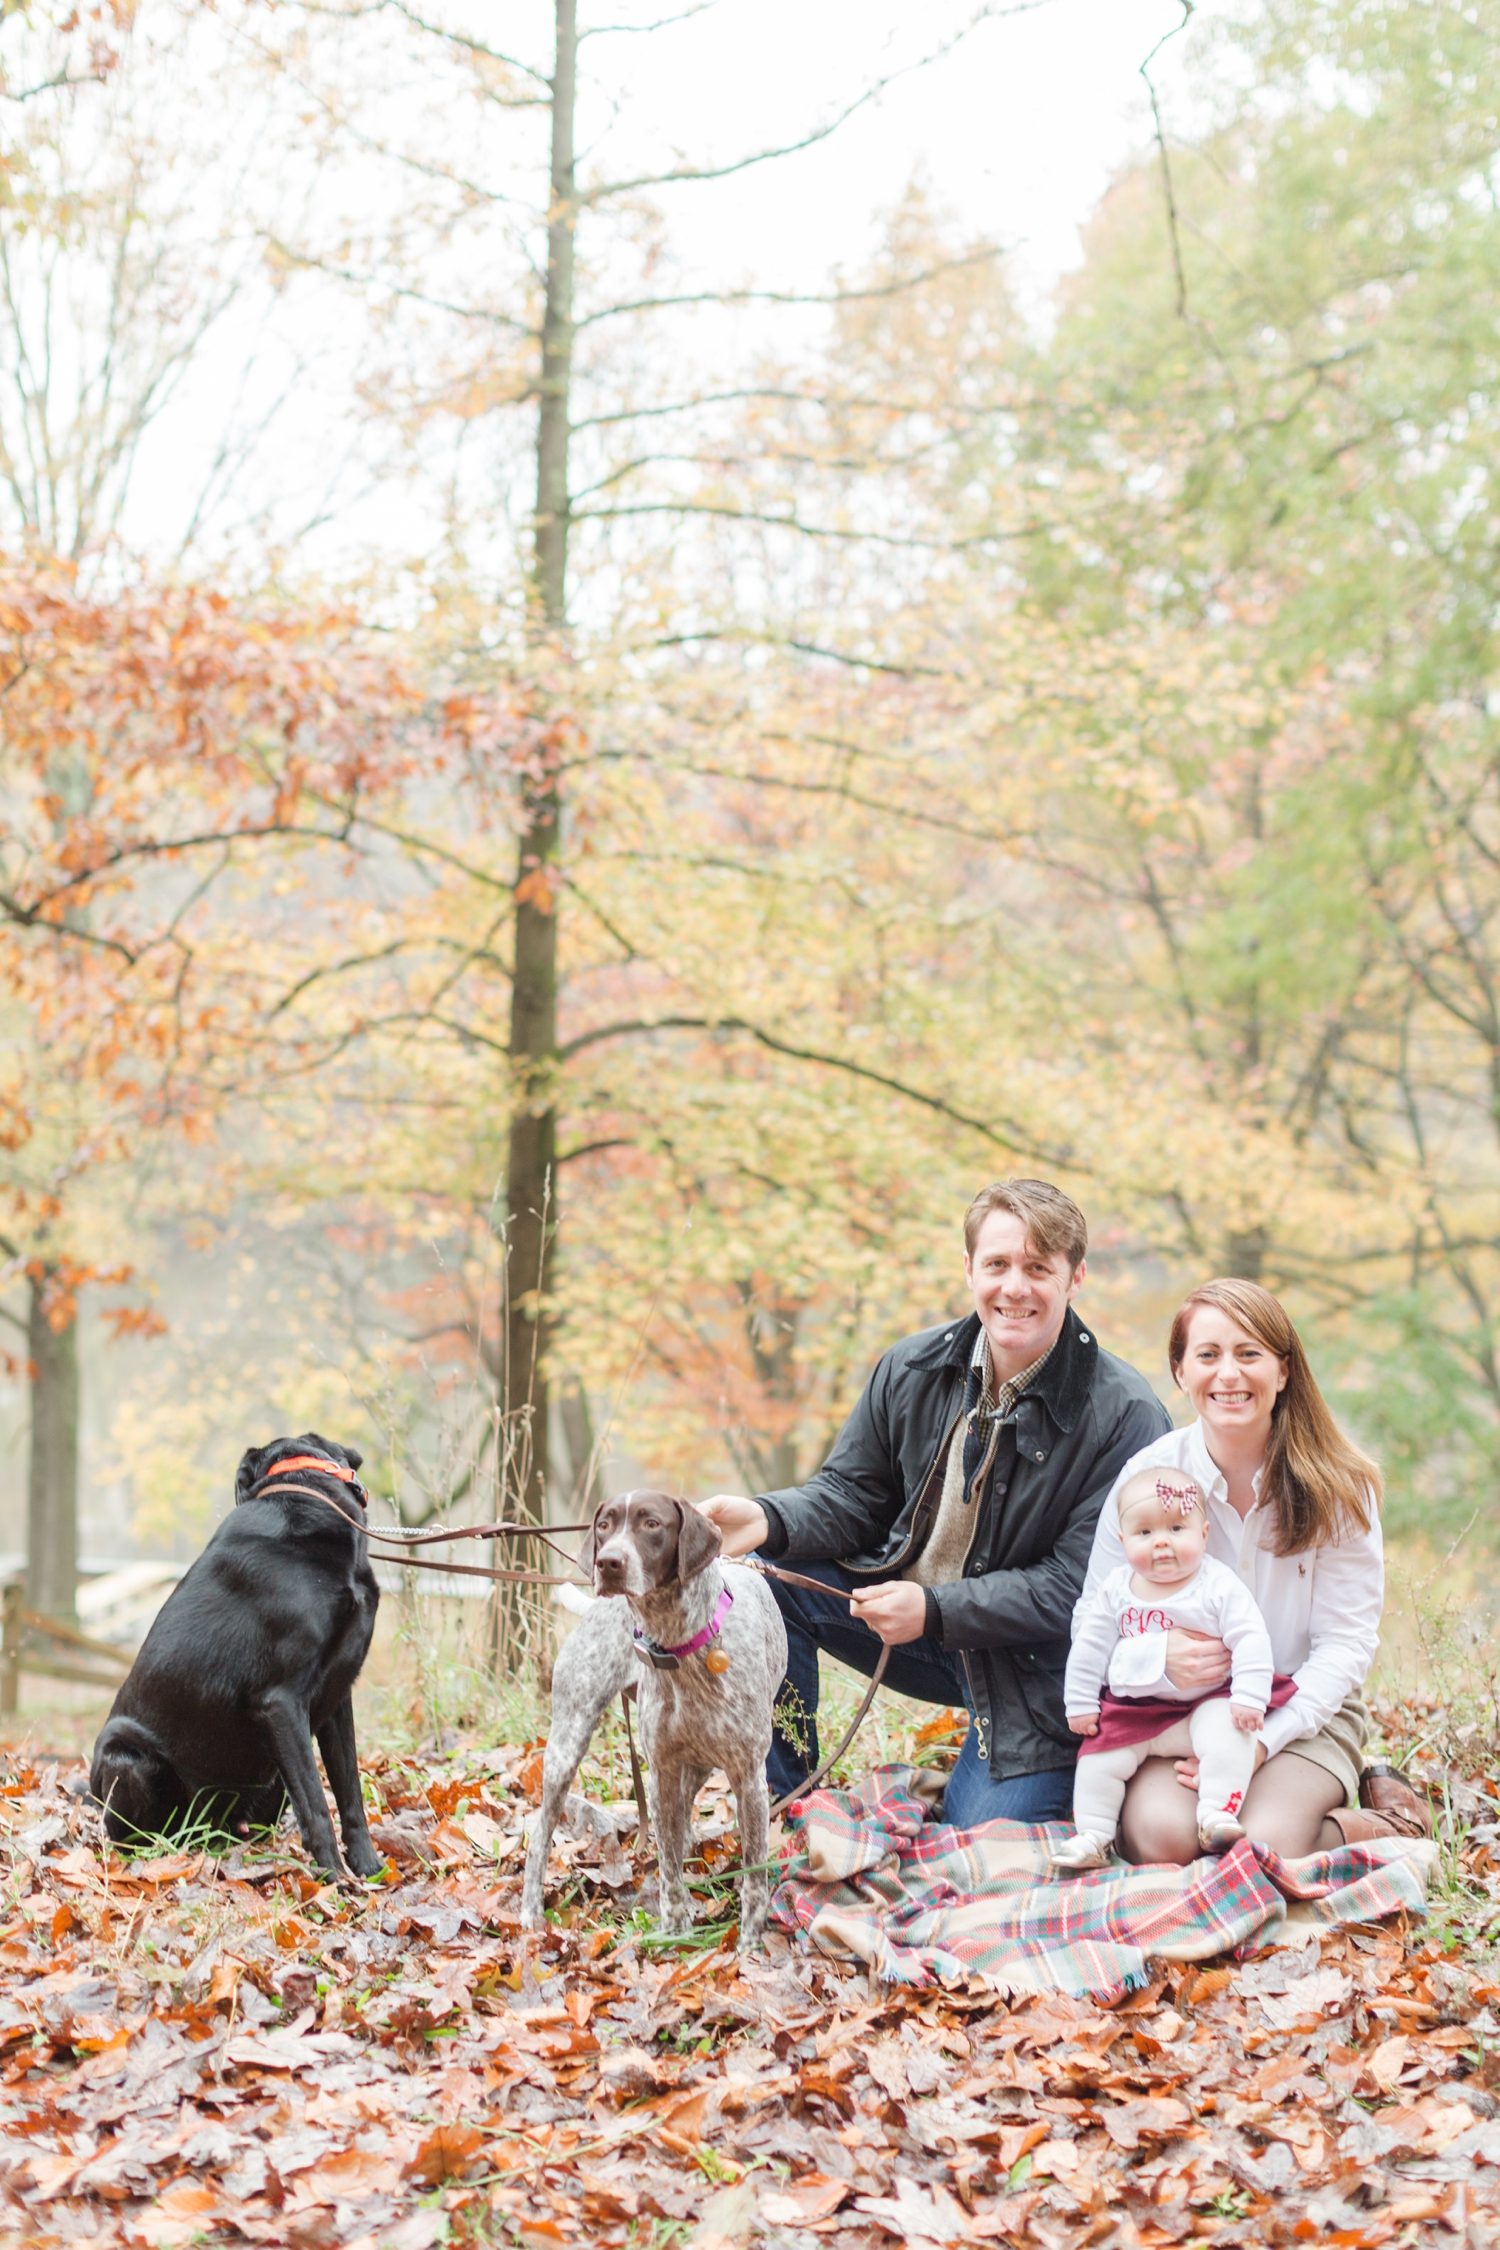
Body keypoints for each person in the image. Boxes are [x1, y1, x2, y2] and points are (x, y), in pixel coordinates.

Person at [697, 1179, 1171, 1826]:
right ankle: (788, 1807)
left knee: (975, 1846)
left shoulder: (1126, 1416)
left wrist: (936, 1608)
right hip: (918, 1630)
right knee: (770, 1585)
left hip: (1037, 1676)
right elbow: (852, 1497)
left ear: (1075, 1276)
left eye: (1039, 1268)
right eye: (998, 1264)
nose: (1015, 1288)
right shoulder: (911, 1367)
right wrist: (767, 1519)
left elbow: (1078, 1589)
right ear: (969, 1269)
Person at [1076, 1276, 1427, 1862]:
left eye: (1249, 1354)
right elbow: (1095, 1615)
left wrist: (1262, 1741)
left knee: (1261, 1848)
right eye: (1209, 1355)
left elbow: (1345, 1642)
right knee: (1161, 1839)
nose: (1229, 1375)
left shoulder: (1337, 1488)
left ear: (1283, 1370)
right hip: (1174, 1711)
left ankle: (1388, 1822)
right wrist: (1153, 1659)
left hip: (1300, 1715)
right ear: (1181, 1371)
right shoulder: (1150, 1477)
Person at [1053, 1467, 1276, 1869]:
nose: (1161, 1542)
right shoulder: (1116, 1590)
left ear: (1204, 1534)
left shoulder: (1216, 1584)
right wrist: (1080, 1702)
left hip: (1205, 1702)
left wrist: (1249, 1697)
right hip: (1135, 1709)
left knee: (1231, 1739)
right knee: (1097, 1761)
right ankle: (1093, 1834)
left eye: (1176, 1528)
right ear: (1122, 1541)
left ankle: (1215, 1813)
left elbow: (1251, 1637)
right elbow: (1089, 1648)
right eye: (1144, 1533)